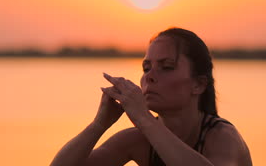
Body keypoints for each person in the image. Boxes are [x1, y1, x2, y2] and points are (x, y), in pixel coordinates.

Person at [50, 27, 252, 166]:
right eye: (146, 68)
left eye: (166, 67)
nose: (150, 77)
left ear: (198, 84)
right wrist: (98, 125)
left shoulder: (222, 137)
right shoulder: (139, 139)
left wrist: (144, 119)